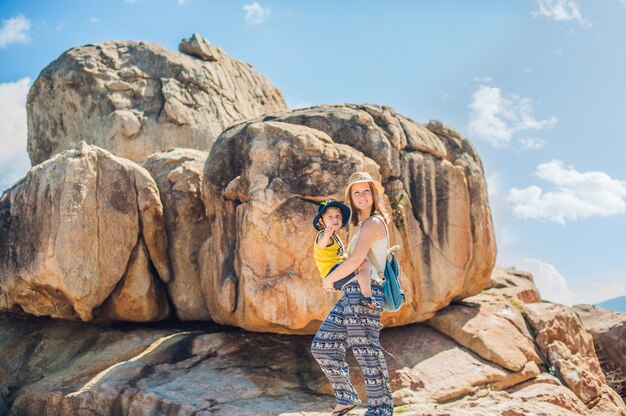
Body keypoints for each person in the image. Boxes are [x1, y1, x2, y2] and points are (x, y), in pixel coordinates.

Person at [311, 172, 394, 416]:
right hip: (350, 294)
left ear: (373, 194)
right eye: (356, 192)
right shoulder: (359, 226)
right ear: (351, 196)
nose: (361, 196)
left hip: (365, 295)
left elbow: (358, 260)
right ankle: (346, 398)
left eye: (366, 190)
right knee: (323, 347)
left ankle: (381, 411)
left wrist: (329, 279)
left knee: (367, 352)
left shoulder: (374, 223)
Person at [312, 199, 384, 311]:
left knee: (360, 268)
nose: (335, 219)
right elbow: (321, 245)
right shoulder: (323, 235)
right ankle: (367, 297)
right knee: (364, 264)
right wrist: (326, 236)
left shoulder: (335, 237)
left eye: (338, 216)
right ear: (321, 222)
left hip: (335, 274)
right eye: (330, 217)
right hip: (333, 272)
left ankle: (362, 300)